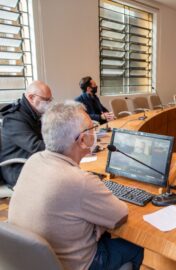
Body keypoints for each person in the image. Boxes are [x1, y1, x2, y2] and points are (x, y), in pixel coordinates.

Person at [8, 101, 143, 270]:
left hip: (30, 261)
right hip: (76, 265)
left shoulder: (33, 161)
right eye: (91, 128)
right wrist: (96, 226)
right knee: (133, 247)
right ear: (82, 140)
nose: (95, 130)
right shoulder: (80, 181)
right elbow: (120, 216)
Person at [0, 81, 53, 187]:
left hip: (34, 162)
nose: (49, 103)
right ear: (31, 97)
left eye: (50, 100)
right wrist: (64, 147)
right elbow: (35, 146)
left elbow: (50, 136)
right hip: (17, 168)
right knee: (63, 179)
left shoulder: (35, 113)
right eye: (46, 100)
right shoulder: (13, 118)